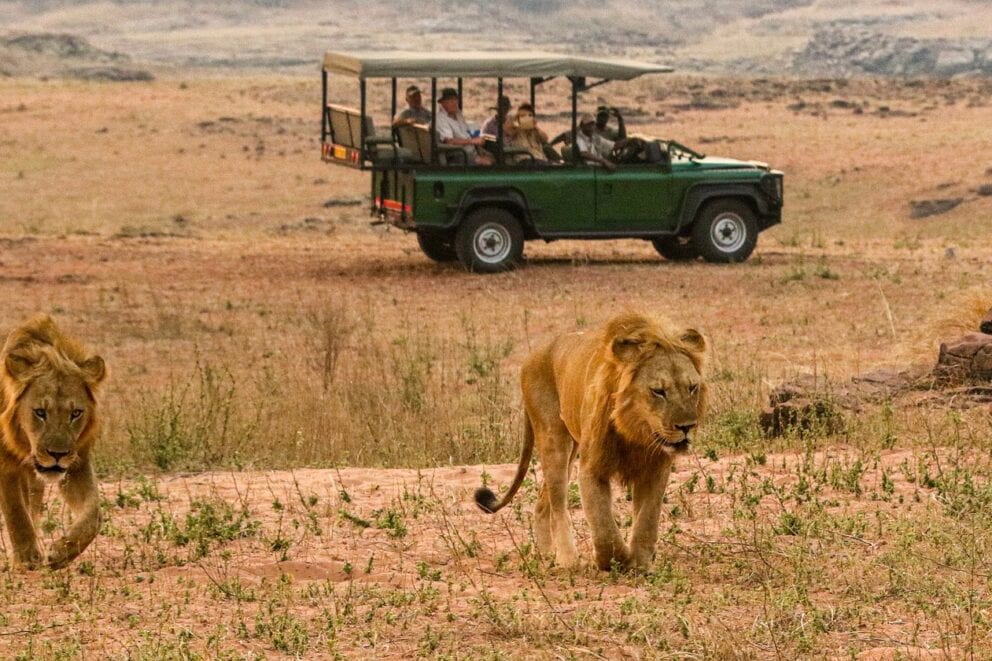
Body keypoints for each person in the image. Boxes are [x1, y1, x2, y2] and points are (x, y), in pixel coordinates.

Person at [436, 87, 493, 165]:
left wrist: (478, 145)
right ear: (442, 103)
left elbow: (467, 134)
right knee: (488, 162)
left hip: (470, 151)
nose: (454, 103)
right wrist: (472, 141)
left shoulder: (458, 114)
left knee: (494, 153)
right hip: (459, 154)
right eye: (450, 100)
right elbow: (449, 141)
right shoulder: (441, 119)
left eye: (455, 99)